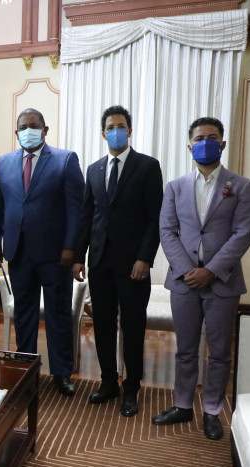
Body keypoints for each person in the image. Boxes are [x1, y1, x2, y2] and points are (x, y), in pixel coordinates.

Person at [153, 117, 250, 440]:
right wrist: (187, 270)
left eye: (212, 137)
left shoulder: (241, 186)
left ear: (222, 144)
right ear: (190, 146)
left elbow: (242, 234)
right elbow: (167, 231)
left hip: (222, 281)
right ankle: (182, 404)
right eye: (199, 138)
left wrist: (210, 270)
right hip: (183, 281)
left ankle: (212, 409)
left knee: (219, 352)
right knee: (185, 349)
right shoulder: (175, 187)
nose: (205, 142)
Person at [73, 106, 163, 416]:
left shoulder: (148, 166)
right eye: (110, 127)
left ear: (130, 131)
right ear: (103, 133)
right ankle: (108, 381)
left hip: (133, 265)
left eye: (121, 126)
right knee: (102, 324)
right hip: (99, 262)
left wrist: (145, 258)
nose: (116, 131)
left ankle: (131, 388)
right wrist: (78, 256)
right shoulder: (94, 169)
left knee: (133, 326)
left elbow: (155, 219)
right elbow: (87, 215)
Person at [0, 108, 84, 396]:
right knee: (24, 314)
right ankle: (25, 369)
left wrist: (71, 248)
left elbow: (75, 209)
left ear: (45, 129)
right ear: (16, 132)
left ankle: (62, 373)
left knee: (58, 315)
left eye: (34, 125)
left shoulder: (65, 160)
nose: (28, 130)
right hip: (18, 252)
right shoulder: (4, 162)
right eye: (23, 127)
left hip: (56, 255)